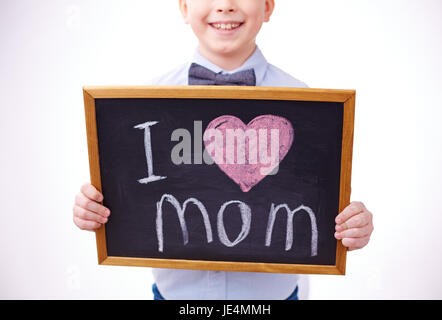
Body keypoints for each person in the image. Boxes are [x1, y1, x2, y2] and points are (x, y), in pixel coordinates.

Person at [73, 0, 374, 300]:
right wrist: (94, 208)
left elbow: (319, 203)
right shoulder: (141, 108)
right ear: (184, 7)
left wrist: (352, 225)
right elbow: (131, 199)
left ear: (268, 7)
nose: (225, 5)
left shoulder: (311, 107)